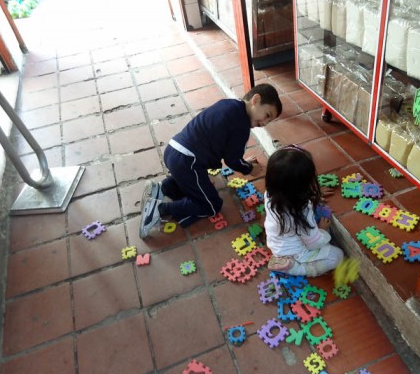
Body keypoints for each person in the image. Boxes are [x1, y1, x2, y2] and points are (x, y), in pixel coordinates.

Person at [139, 83, 282, 238]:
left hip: (174, 150)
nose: (264, 123)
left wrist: (241, 160)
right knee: (211, 205)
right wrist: (249, 168)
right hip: (188, 161)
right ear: (256, 100)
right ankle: (159, 209)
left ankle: (161, 188)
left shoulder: (228, 105)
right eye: (267, 115)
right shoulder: (241, 125)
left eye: (269, 121)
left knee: (191, 181)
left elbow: (222, 143)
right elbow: (232, 160)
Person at [264, 145, 344, 277]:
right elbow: (313, 243)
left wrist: (310, 195)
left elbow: (289, 192)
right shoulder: (301, 213)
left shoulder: (270, 194)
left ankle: (285, 260)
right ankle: (295, 268)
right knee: (337, 256)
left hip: (276, 243)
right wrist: (323, 230)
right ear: (301, 186)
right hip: (295, 253)